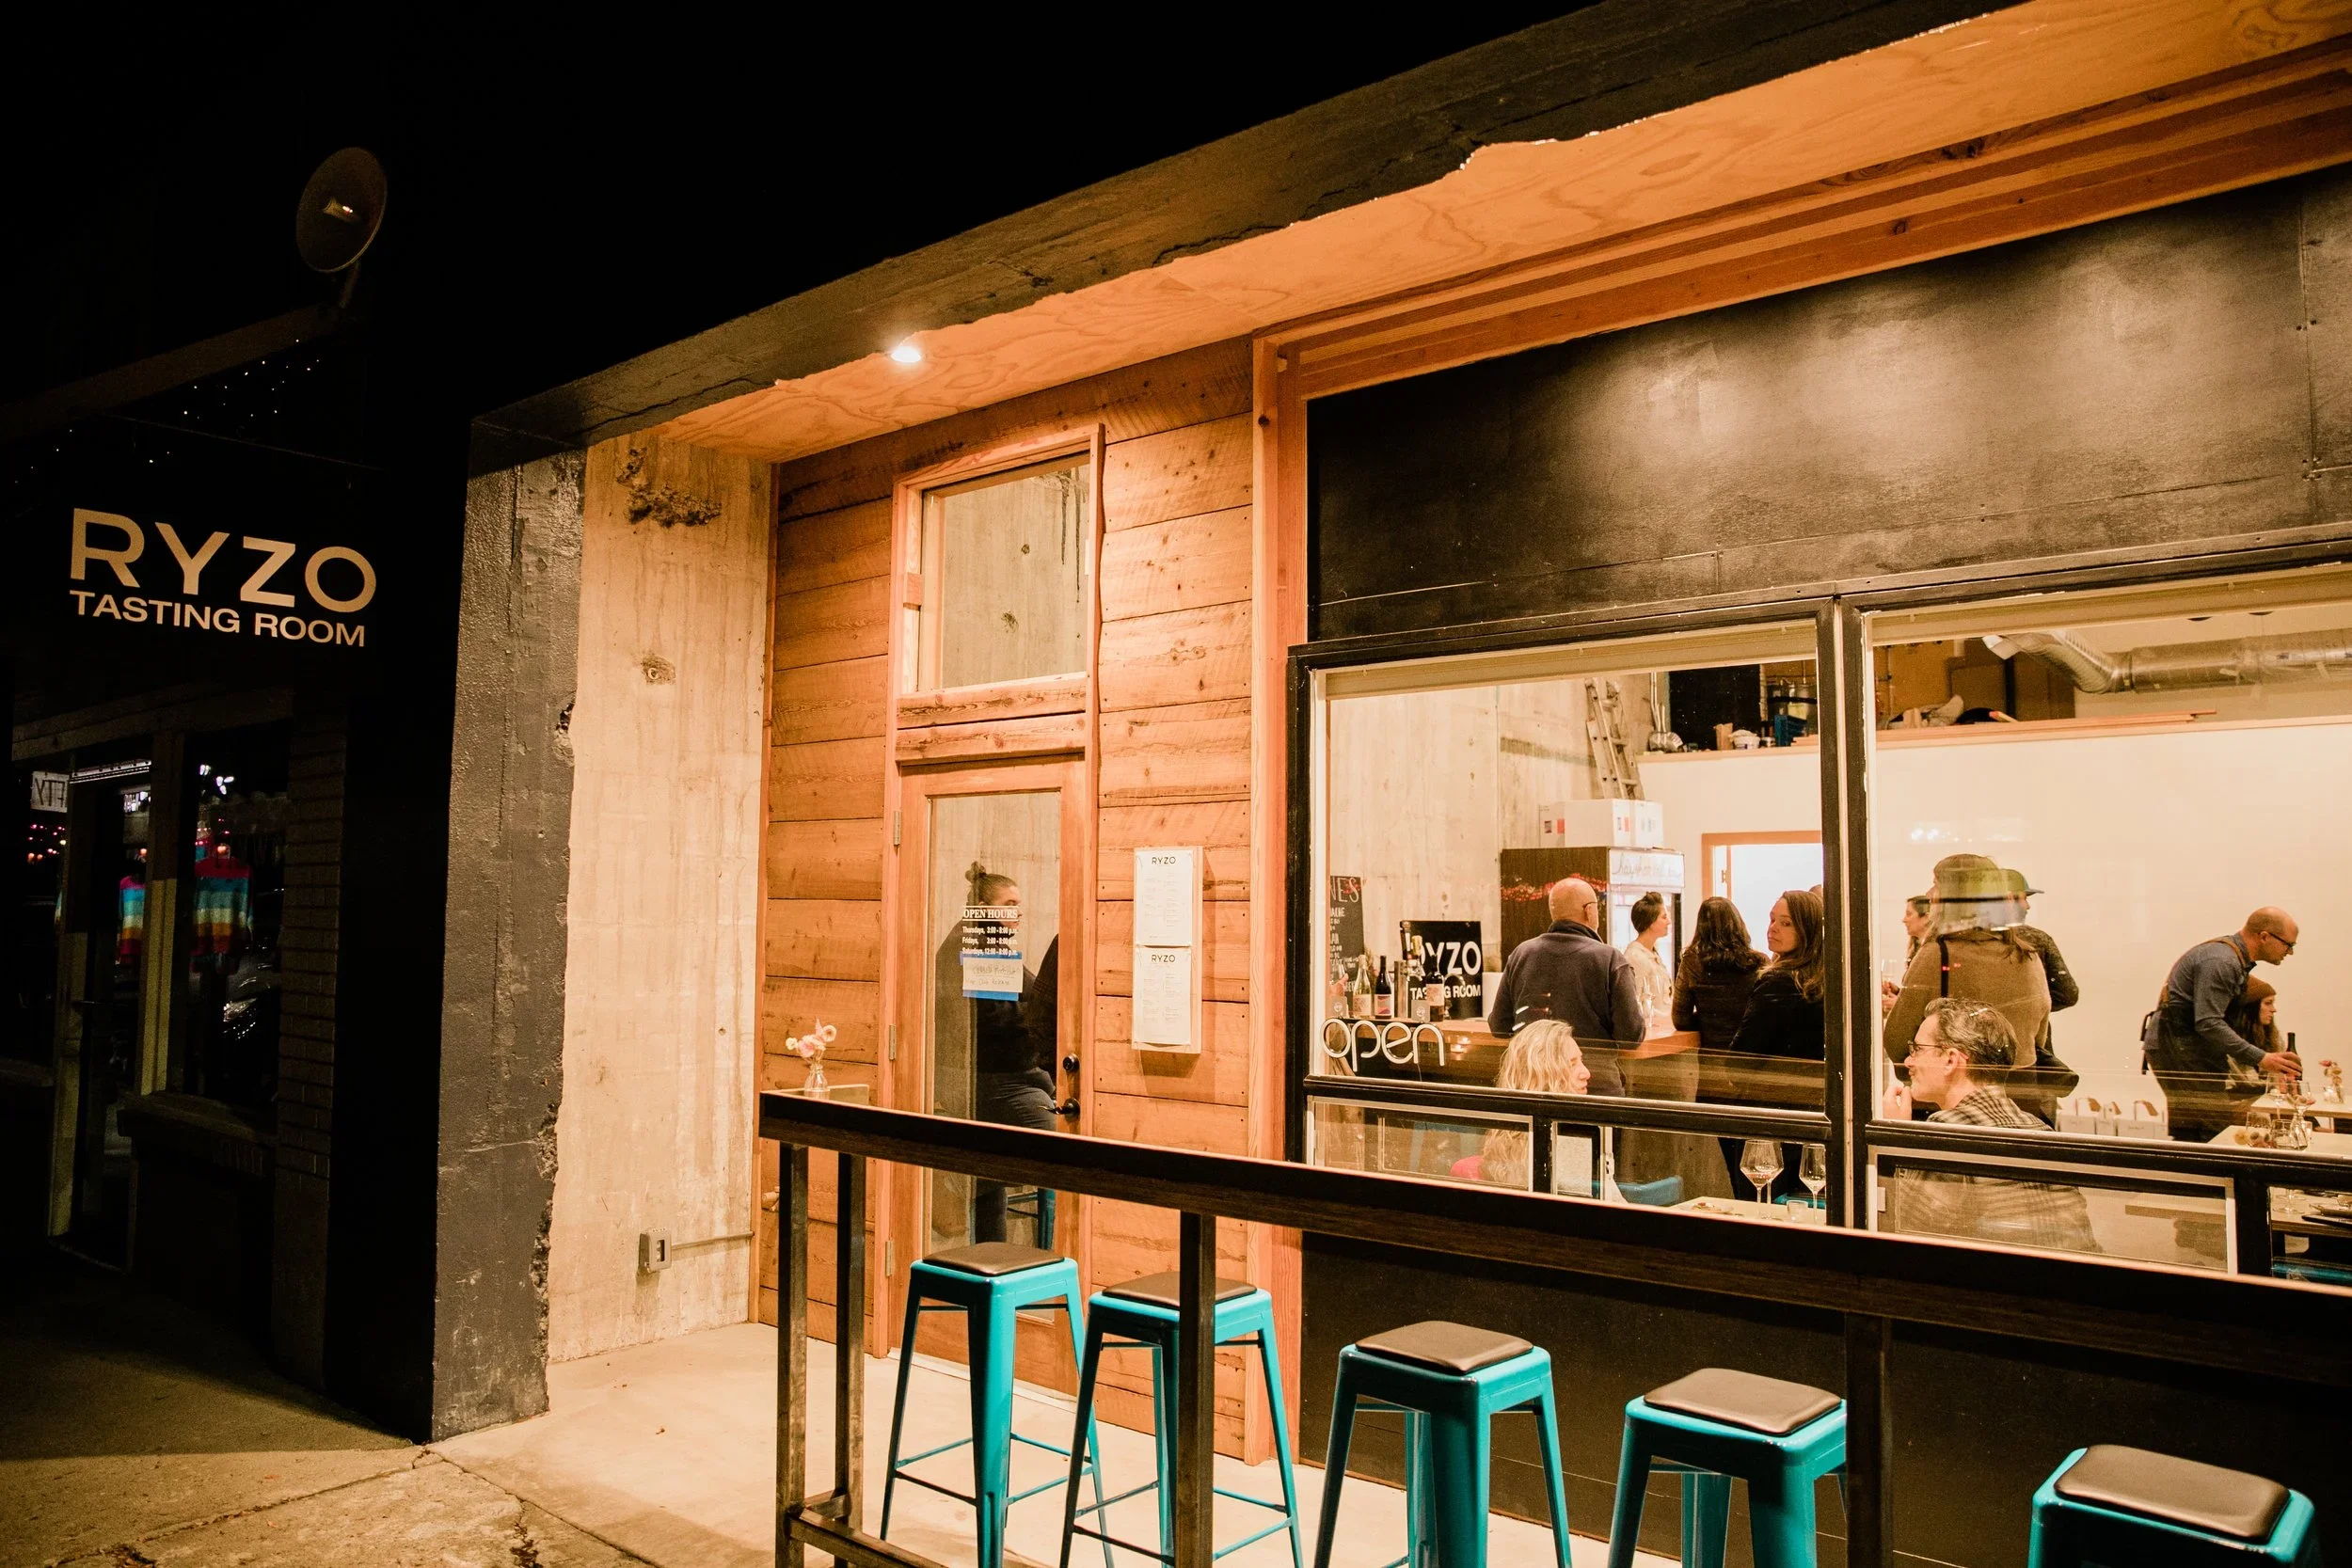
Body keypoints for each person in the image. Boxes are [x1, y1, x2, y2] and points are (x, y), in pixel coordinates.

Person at [1881, 999, 2099, 1253]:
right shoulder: (2039, 1129)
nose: (1908, 1061)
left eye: (1917, 1049)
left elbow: (1899, 1233)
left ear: (1951, 1060)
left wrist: (1896, 1136)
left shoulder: (1947, 1130)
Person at [951, 866, 1060, 1243]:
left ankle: (990, 1255)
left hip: (1012, 1075)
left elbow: (1025, 997)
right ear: (982, 908)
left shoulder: (993, 946)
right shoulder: (978, 950)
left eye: (1019, 905)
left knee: (990, 1176)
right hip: (1000, 1081)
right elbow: (999, 1019)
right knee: (1067, 1155)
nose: (1017, 912)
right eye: (1009, 904)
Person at [1883, 856, 2049, 1081]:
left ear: (1954, 896)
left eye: (1936, 884)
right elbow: (2038, 1037)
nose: (1930, 893)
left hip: (1955, 1093)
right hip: (2024, 1089)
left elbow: (1897, 1041)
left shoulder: (1938, 954)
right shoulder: (2027, 955)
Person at [2144, 908, 2302, 1141]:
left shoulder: (2232, 958)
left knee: (2198, 1130)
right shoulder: (2222, 961)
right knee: (2213, 1129)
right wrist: (2262, 1058)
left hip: (2185, 1048)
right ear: (2265, 936)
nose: (2289, 952)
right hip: (2179, 1049)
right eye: (2288, 945)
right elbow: (2208, 1023)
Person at [1487, 876, 1641, 1095]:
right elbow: (1631, 1037)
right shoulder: (1609, 959)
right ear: (1589, 911)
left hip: (1534, 1084)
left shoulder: (1521, 954)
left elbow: (1499, 1026)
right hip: (1594, 1085)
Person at [1674, 896, 1766, 1100]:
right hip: (1750, 1065)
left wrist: (1708, 1018)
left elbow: (1680, 1018)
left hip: (1712, 1069)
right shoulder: (1758, 962)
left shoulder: (1692, 962)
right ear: (1738, 923)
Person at [1478, 1020, 1589, 1186]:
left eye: (1581, 1061)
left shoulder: (1503, 1136)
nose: (1586, 1073)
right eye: (1571, 1064)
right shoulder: (1570, 1142)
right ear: (1543, 1075)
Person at [1622, 891, 1676, 1038]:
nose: (1669, 922)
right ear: (1651, 922)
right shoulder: (1635, 957)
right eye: (1664, 917)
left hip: (1665, 1029)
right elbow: (1636, 1004)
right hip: (1653, 1033)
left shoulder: (1652, 953)